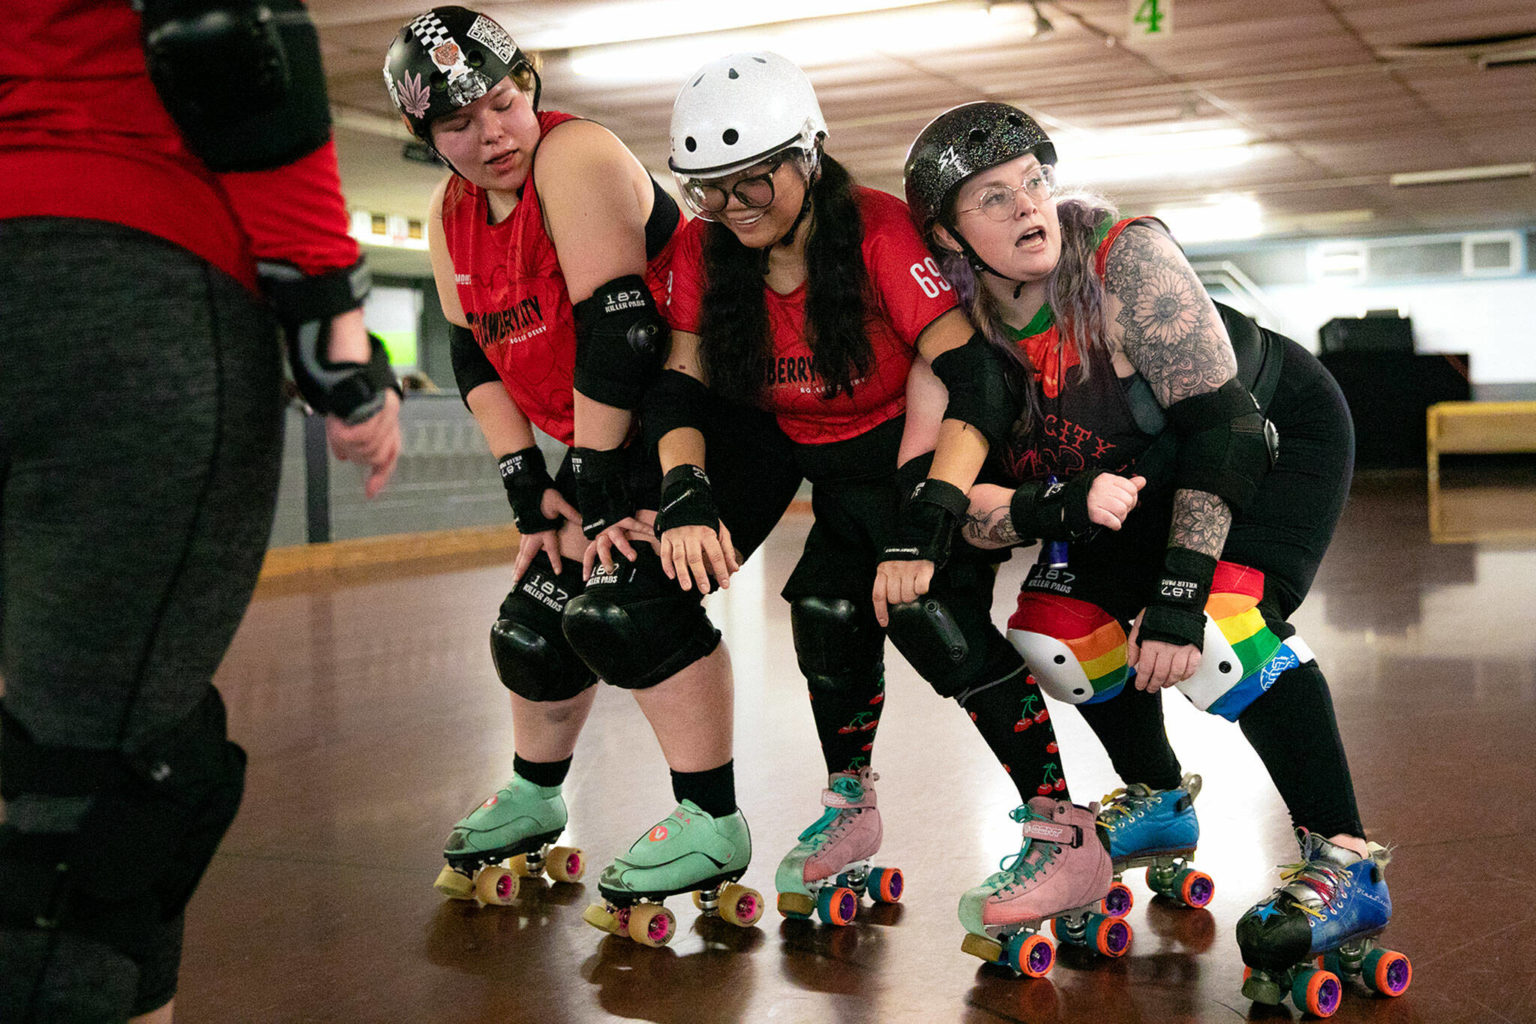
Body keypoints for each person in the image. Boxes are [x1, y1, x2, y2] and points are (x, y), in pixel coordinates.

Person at [901, 100, 1408, 1007]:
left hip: (1271, 431)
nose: (1028, 210)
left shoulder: (1120, 259)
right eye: (993, 198)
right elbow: (945, 507)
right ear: (945, 234)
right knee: (1057, 633)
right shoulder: (953, 329)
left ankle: (1345, 858)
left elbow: (1225, 438)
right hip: (1131, 472)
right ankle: (1160, 797)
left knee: (1220, 629)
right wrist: (1041, 505)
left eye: (1034, 183)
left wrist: (1177, 596)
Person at [638, 52, 1132, 968]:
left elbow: (975, 374)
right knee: (825, 610)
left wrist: (935, 513)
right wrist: (681, 489)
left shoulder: (875, 232)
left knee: (931, 614)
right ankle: (850, 810)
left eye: (754, 177)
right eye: (708, 187)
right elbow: (677, 390)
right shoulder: (706, 251)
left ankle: (1066, 833)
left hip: (928, 458)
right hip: (834, 483)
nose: (732, 203)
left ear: (809, 155)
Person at [0, 2, 402, 1021]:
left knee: (121, 748)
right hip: (124, 277)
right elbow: (228, 35)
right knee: (96, 787)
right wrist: (333, 331)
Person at [384, 8, 800, 936]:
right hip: (608, 440)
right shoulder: (450, 215)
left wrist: (600, 482)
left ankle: (712, 817)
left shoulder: (575, 158)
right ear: (427, 137)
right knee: (533, 628)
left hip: (716, 424)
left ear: (528, 88)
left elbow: (625, 335)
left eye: (501, 102)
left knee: (634, 608)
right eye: (457, 124)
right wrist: (531, 492)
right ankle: (537, 795)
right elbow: (474, 363)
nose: (490, 134)